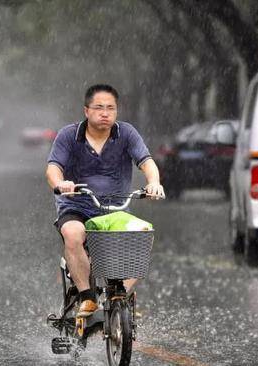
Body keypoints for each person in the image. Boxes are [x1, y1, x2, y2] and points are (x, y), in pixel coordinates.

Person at [46, 84, 165, 318]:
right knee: (72, 234)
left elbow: (147, 162)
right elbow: (53, 169)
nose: (105, 113)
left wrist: (154, 182)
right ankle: (87, 298)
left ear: (117, 111)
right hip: (76, 207)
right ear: (86, 110)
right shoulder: (69, 135)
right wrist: (61, 184)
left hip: (114, 210)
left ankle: (119, 295)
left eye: (111, 108)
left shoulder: (127, 133)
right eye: (99, 107)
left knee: (143, 236)